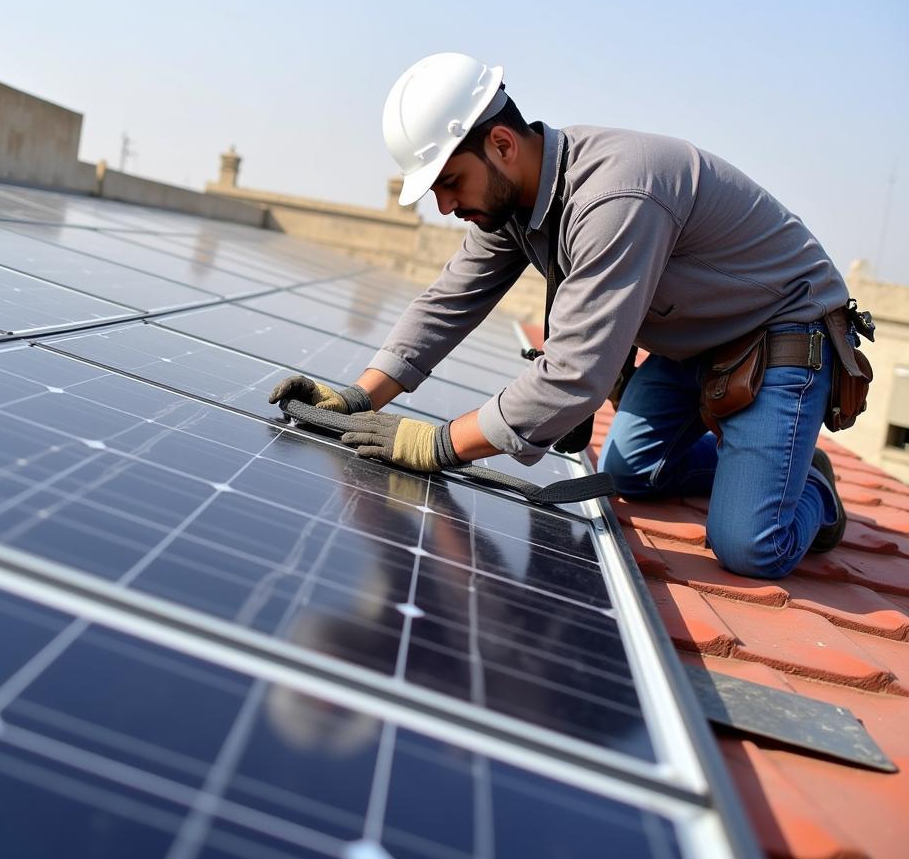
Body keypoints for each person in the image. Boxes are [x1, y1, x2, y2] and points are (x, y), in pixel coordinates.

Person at [270, 52, 861, 579]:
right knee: (632, 476)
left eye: (450, 182)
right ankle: (766, 459)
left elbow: (577, 374)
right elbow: (449, 302)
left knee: (749, 547)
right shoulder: (514, 202)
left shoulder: (613, 195)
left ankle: (806, 488)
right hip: (700, 348)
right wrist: (357, 399)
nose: (446, 206)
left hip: (782, 334)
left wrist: (439, 444)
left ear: (501, 144)